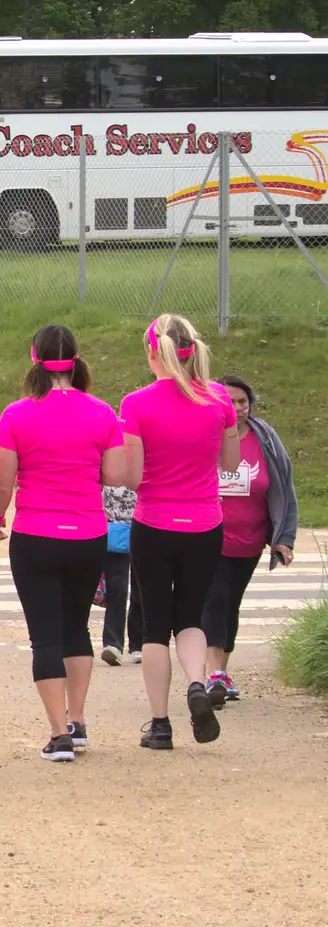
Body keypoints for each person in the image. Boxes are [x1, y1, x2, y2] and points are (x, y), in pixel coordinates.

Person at [0, 326, 128, 761]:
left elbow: (1, 482)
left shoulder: (17, 414)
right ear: (77, 359)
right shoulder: (103, 413)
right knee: (76, 628)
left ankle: (56, 732)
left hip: (36, 535)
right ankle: (78, 719)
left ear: (34, 357)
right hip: (87, 534)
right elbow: (116, 475)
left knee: (44, 635)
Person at [120, 314, 240, 750]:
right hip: (205, 523)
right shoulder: (220, 399)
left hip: (154, 523)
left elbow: (131, 478)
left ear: (154, 353)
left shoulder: (136, 404)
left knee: (155, 625)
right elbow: (229, 465)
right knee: (190, 616)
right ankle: (196, 683)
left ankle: (160, 724)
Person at [205, 375, 297, 703]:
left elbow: (283, 487)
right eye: (229, 401)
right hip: (208, 536)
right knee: (214, 598)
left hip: (250, 540)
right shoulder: (204, 434)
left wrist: (283, 538)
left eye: (242, 401)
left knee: (230, 604)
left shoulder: (265, 438)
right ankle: (214, 673)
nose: (238, 407)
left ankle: (222, 673)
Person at [100, 486, 143, 665]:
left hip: (144, 529)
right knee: (117, 588)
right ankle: (112, 644)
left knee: (140, 589)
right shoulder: (109, 461)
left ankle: (138, 644)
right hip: (115, 531)